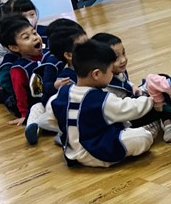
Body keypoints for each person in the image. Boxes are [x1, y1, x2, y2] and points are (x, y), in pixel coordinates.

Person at [50, 40, 160, 168]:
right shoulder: (101, 100)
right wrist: (151, 100)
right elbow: (131, 108)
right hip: (97, 153)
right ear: (96, 74)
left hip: (71, 151)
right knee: (142, 136)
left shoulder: (62, 92)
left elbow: (51, 116)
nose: (112, 75)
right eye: (110, 72)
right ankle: (152, 128)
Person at [24, 25, 89, 144]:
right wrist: (55, 86)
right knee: (38, 109)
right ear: (68, 55)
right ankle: (35, 126)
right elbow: (46, 88)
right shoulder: (56, 67)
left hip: (67, 105)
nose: (91, 48)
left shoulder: (90, 62)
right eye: (84, 46)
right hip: (52, 102)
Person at [0, 13, 58, 125]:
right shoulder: (19, 69)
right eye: (26, 37)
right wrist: (24, 114)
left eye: (34, 33)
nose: (35, 38)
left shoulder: (49, 53)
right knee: (36, 110)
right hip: (35, 103)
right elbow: (20, 93)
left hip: (52, 94)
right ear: (14, 47)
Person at [90, 32, 138, 98]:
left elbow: (125, 82)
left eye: (123, 53)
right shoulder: (104, 89)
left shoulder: (118, 70)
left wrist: (132, 86)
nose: (123, 60)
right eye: (116, 57)